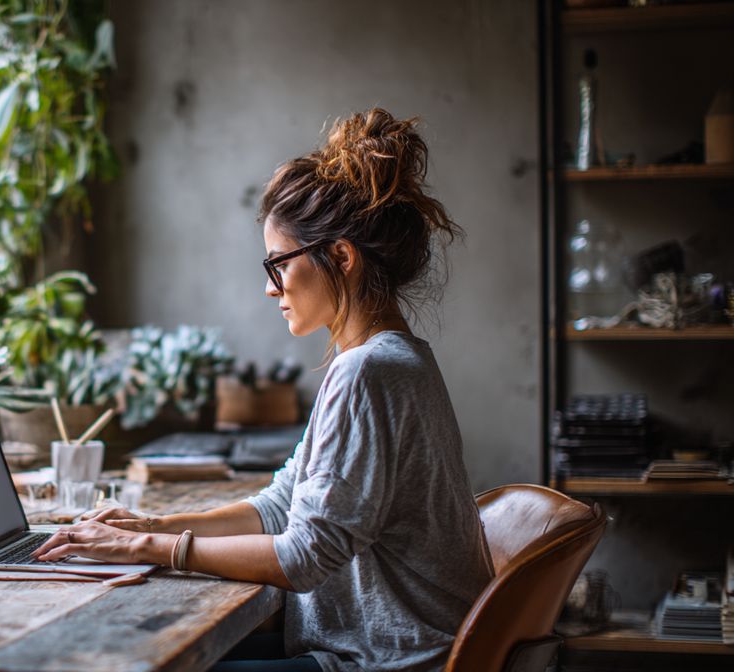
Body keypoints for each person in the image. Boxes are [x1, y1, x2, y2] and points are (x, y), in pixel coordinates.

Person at [33, 108, 495, 671]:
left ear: (341, 258)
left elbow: (304, 556)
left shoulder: (369, 372)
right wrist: (150, 526)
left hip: (385, 660)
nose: (268, 286)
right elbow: (282, 506)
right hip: (388, 649)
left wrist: (147, 549)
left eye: (278, 263)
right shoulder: (394, 358)